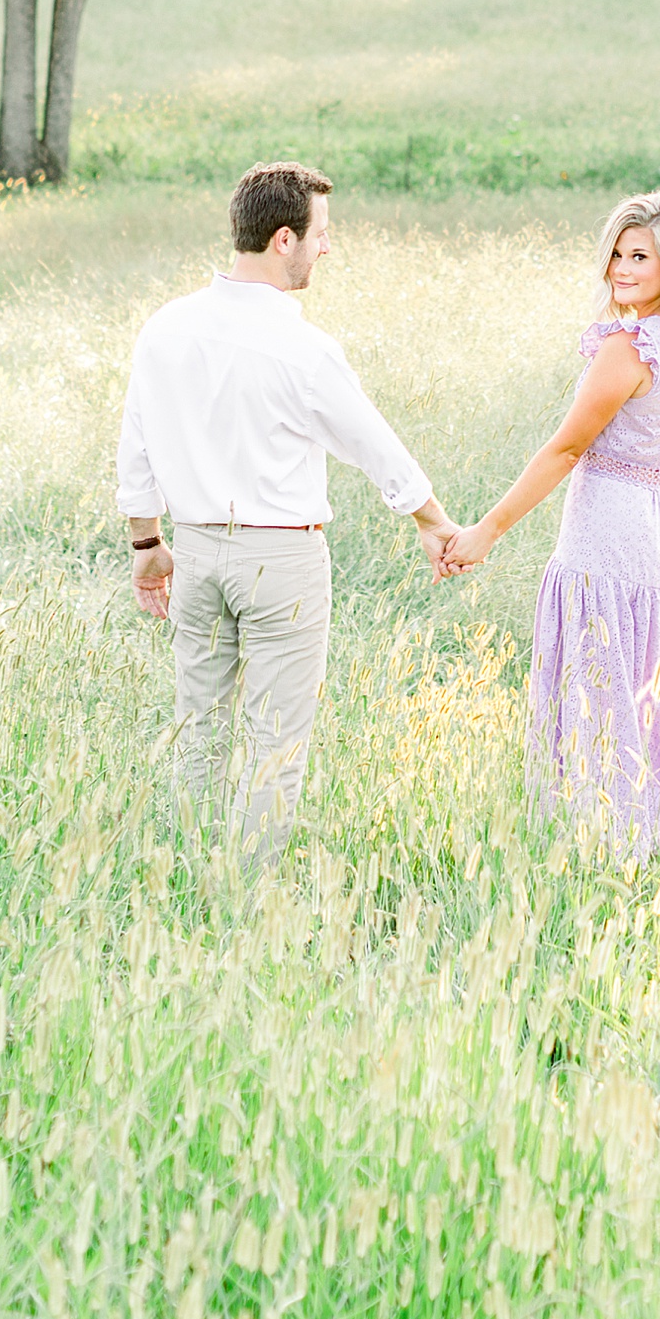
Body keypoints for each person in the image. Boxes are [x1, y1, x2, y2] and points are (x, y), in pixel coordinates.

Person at [117, 160, 456, 868]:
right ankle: (247, 895)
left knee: (198, 727)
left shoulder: (166, 328)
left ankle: (190, 877)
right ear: (283, 239)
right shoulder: (303, 349)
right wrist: (431, 519)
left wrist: (146, 544)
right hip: (281, 561)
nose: (326, 247)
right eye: (320, 234)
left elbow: (136, 444)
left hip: (195, 551)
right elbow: (372, 444)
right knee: (276, 741)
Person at [441, 191, 660, 856]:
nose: (621, 269)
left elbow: (567, 448)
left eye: (641, 257)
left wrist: (486, 531)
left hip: (607, 535)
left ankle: (601, 844)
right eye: (617, 254)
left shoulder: (629, 348)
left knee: (600, 695)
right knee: (657, 695)